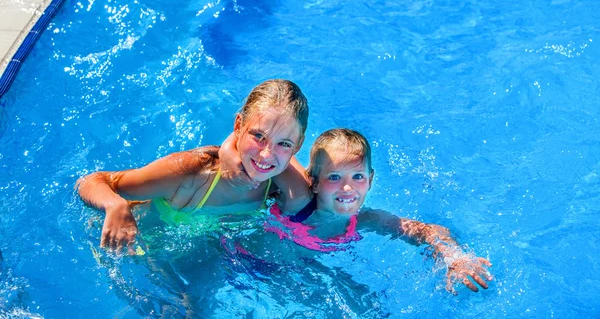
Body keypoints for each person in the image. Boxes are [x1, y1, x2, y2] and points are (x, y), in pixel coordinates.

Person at [222, 128, 493, 293]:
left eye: (358, 177)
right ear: (314, 181)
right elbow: (249, 143)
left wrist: (455, 257)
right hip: (237, 263)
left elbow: (427, 231)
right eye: (335, 177)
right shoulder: (298, 198)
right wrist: (233, 165)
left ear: (371, 180)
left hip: (286, 277)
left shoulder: (365, 219)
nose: (348, 189)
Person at [76, 79, 308, 254]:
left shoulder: (275, 187)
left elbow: (304, 195)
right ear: (238, 126)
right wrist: (114, 205)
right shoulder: (192, 173)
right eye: (258, 135)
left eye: (283, 143)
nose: (267, 154)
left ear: (297, 146)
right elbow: (91, 181)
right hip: (129, 248)